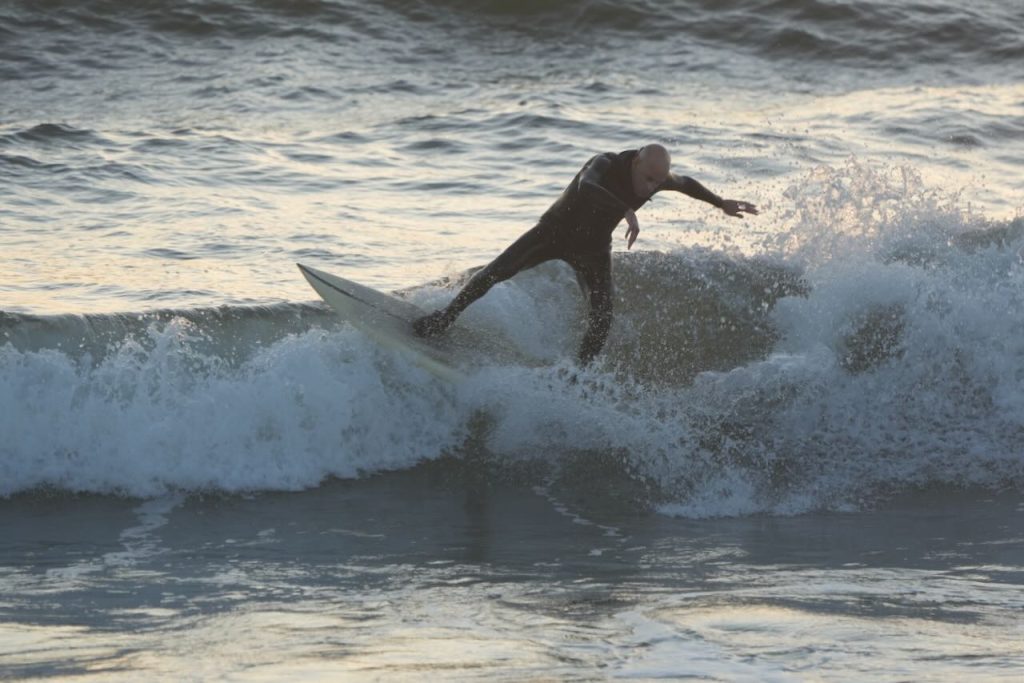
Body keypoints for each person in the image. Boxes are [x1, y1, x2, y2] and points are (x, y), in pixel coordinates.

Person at [413, 144, 758, 364]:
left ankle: (579, 375)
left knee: (602, 318)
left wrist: (720, 202)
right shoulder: (604, 163)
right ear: (636, 162)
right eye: (648, 179)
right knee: (496, 272)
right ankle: (445, 318)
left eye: (657, 182)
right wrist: (625, 209)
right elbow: (586, 187)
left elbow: (685, 183)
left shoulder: (655, 176)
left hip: (593, 249)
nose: (651, 188)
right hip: (554, 233)